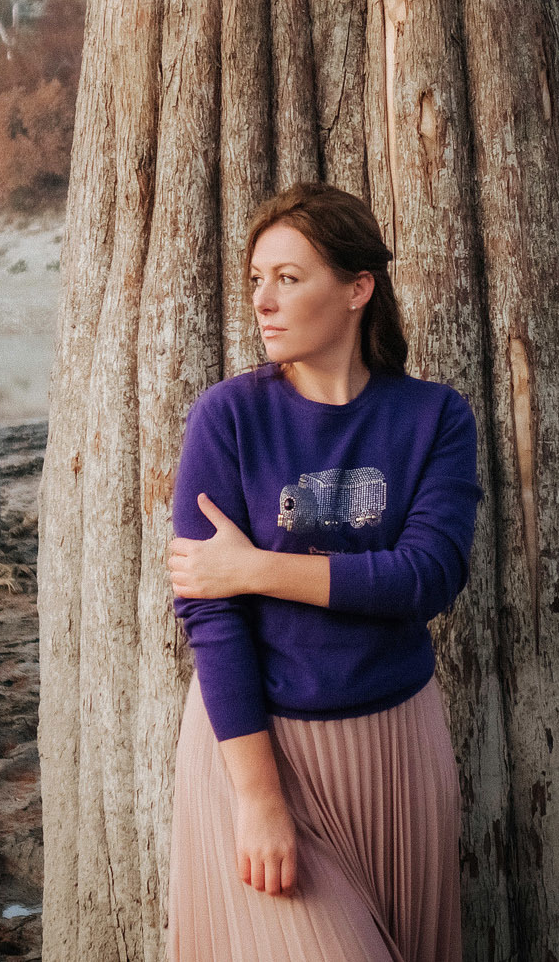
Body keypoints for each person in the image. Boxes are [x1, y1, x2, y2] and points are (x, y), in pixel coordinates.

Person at [164, 183, 481, 962]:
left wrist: (255, 566)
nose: (263, 302)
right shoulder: (229, 416)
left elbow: (426, 576)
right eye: (256, 280)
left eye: (289, 278)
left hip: (397, 751)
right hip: (260, 747)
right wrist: (259, 799)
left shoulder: (435, 417)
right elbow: (210, 611)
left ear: (356, 289)